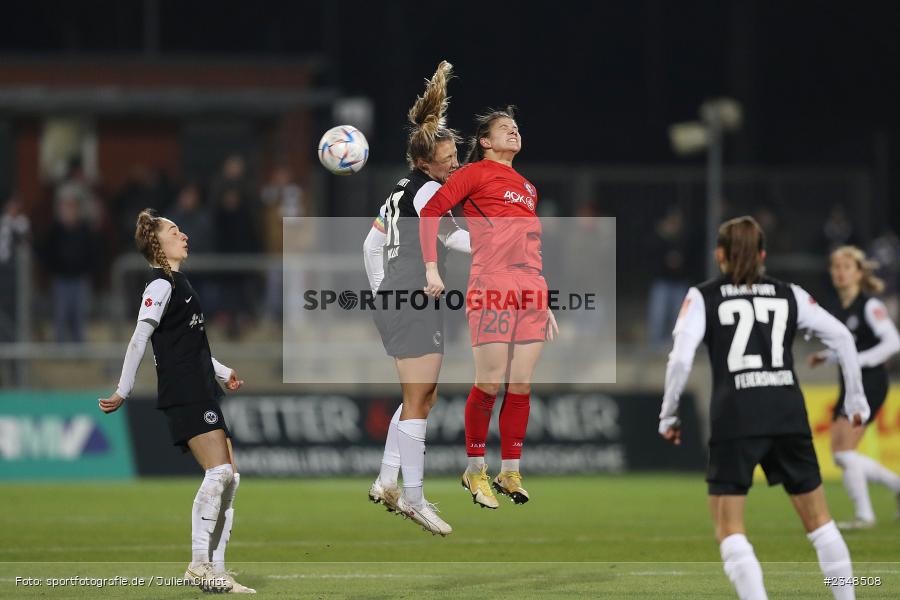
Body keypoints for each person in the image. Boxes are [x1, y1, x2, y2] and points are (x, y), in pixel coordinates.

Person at [659, 216, 870, 600]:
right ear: (763, 255)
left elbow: (680, 359)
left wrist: (669, 414)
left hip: (736, 416)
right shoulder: (788, 293)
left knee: (730, 529)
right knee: (821, 523)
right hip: (787, 411)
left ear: (719, 255)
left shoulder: (703, 295)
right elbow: (842, 336)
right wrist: (856, 398)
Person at [98, 209, 254, 594]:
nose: (183, 234)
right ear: (157, 243)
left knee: (230, 478)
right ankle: (199, 565)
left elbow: (189, 344)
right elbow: (139, 339)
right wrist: (124, 388)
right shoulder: (160, 286)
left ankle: (216, 570)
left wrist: (221, 370)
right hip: (184, 390)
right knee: (218, 474)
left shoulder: (180, 282)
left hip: (200, 384)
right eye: (174, 230)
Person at [419, 106, 558, 510]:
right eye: (503, 128)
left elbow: (527, 242)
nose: (514, 131)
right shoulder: (473, 173)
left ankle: (509, 469)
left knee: (521, 384)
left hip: (531, 287)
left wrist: (542, 295)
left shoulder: (529, 188)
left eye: (516, 127)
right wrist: (432, 266)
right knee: (490, 381)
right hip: (492, 284)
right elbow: (430, 212)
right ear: (484, 141)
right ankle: (475, 467)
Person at [365, 61, 470, 537]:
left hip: (397, 297)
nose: (455, 163)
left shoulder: (401, 189)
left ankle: (387, 481)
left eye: (455, 156)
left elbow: (370, 245)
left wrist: (378, 293)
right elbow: (453, 242)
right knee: (419, 397)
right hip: (413, 296)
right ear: (426, 161)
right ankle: (414, 497)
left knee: (422, 395)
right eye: (448, 159)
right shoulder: (429, 192)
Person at [809, 245, 900, 529]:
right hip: (848, 384)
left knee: (845, 452)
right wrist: (827, 356)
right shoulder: (838, 308)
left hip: (870, 384)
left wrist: (857, 360)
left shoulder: (870, 305)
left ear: (859, 273)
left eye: (847, 267)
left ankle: (865, 515)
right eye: (836, 267)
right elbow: (847, 346)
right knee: (840, 454)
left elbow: (893, 343)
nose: (840, 273)